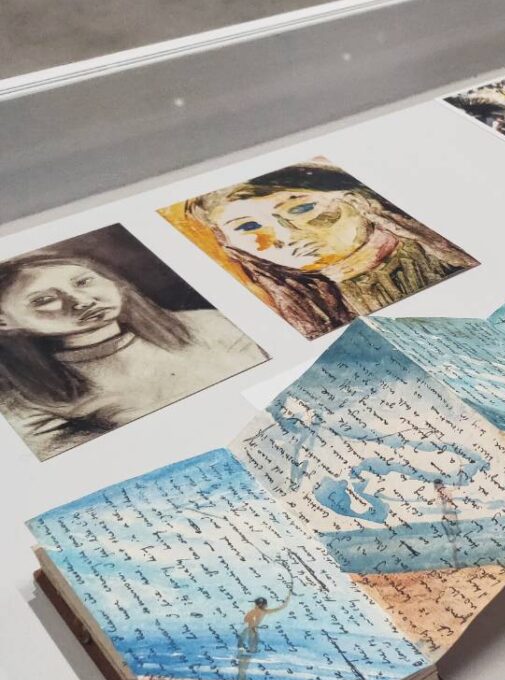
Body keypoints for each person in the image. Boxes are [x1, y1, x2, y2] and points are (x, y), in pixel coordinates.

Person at [0, 250, 265, 458]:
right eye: (44, 300)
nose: (82, 301)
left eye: (83, 282)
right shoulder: (23, 402)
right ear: (4, 321)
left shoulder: (211, 324)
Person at [174, 161, 478, 339]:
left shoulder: (441, 256)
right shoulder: (305, 304)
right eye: (248, 227)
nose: (285, 236)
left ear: (357, 200)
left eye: (302, 208)